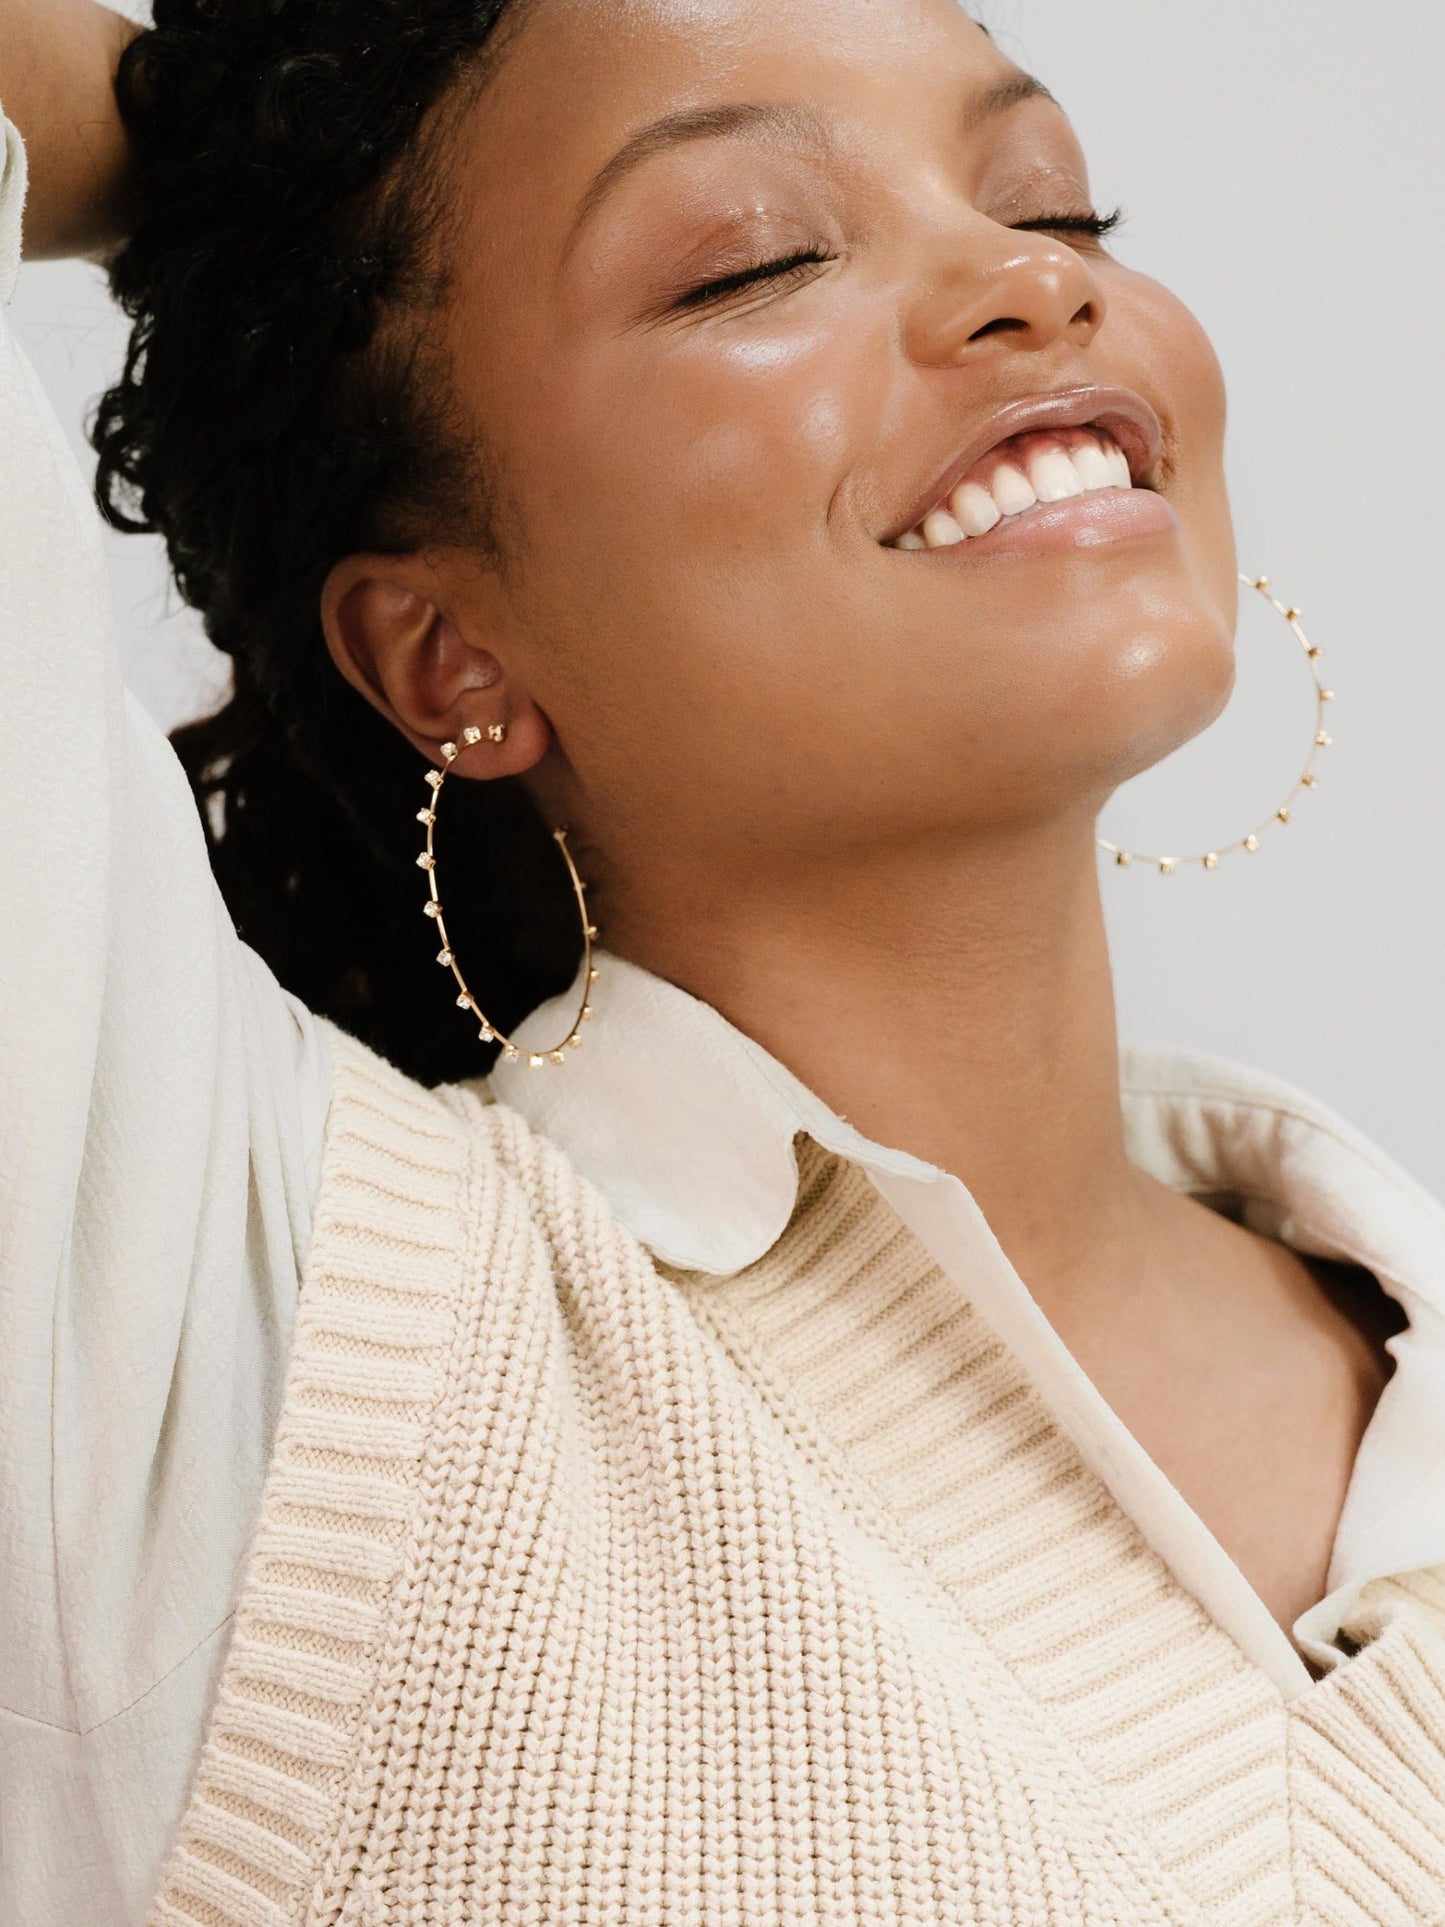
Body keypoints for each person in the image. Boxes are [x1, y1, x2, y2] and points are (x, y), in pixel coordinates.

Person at [3, 1, 1444, 1921]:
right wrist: (194, 141)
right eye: (756, 255)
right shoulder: (247, 1357)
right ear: (447, 653)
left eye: (1057, 206)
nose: (1023, 282)